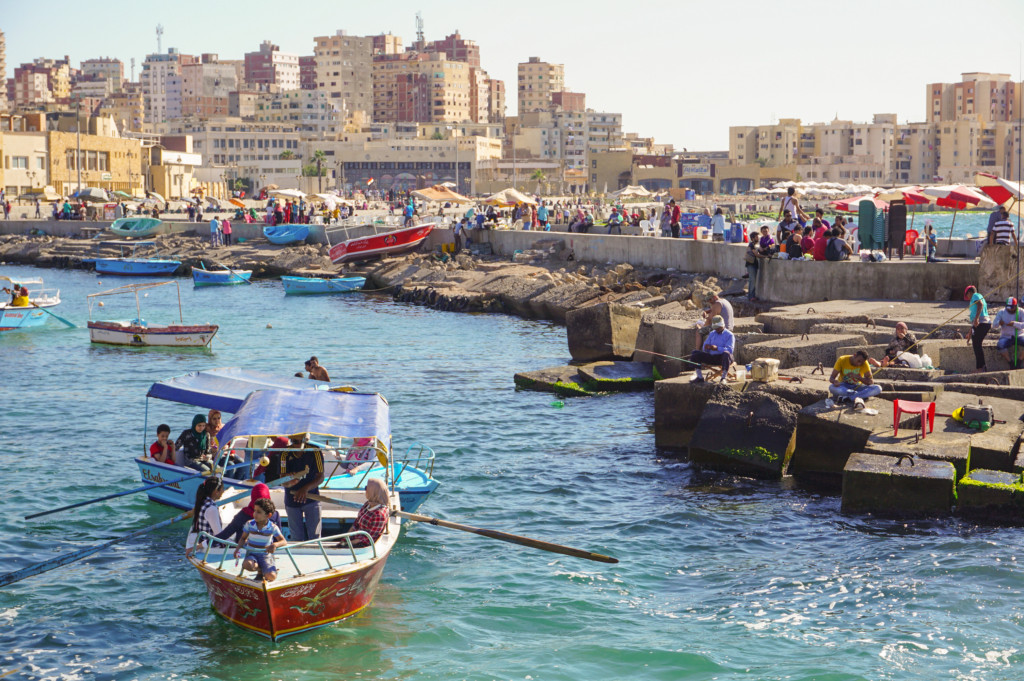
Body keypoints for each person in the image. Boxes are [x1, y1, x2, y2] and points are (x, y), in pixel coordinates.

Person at [279, 438, 325, 541]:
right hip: (292, 500)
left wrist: (305, 489)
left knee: (316, 538)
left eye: (302, 441)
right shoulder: (284, 453)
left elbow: (321, 477)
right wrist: (289, 481)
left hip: (312, 498)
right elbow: (283, 479)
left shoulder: (315, 451)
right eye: (295, 441)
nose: (299, 445)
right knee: (296, 538)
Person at [234, 497, 287, 582]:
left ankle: (267, 570)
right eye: (255, 511)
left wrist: (275, 544)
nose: (255, 514)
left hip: (265, 555)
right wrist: (237, 549)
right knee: (247, 565)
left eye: (258, 512)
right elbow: (243, 538)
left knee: (271, 577)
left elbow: (283, 541)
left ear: (268, 515)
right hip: (252, 554)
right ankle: (261, 570)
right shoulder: (249, 524)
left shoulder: (273, 527)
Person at [216, 483, 281, 544]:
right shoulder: (274, 515)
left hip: (245, 551)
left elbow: (226, 533)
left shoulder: (243, 515)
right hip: (265, 551)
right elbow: (278, 540)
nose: (255, 514)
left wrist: (207, 542)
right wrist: (274, 546)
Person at [185, 476, 224, 557]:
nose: (223, 491)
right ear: (216, 492)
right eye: (222, 489)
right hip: (210, 546)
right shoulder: (211, 508)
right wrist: (199, 546)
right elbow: (218, 536)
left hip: (202, 539)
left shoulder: (201, 501)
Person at [688, 315, 734, 384]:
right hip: (712, 357)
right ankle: (699, 377)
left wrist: (717, 348)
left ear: (722, 326)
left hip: (722, 358)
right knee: (695, 353)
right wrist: (706, 347)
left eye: (718, 328)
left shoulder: (729, 335)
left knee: (726, 354)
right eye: (716, 328)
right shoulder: (712, 333)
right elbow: (705, 347)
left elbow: (730, 349)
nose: (717, 329)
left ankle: (723, 378)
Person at [348, 478, 391, 547]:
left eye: (366, 488)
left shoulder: (379, 514)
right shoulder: (368, 504)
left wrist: (348, 543)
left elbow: (369, 538)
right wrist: (347, 537)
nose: (365, 490)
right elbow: (356, 523)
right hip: (355, 537)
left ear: (373, 491)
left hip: (362, 544)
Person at [964, 285, 991, 373]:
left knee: (976, 344)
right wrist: (970, 333)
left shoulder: (975, 295)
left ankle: (981, 368)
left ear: (969, 292)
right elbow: (974, 323)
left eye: (967, 295)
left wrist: (976, 318)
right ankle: (981, 367)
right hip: (981, 324)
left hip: (983, 323)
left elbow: (980, 304)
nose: (967, 297)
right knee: (976, 343)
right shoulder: (975, 297)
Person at [994, 297, 1024, 368]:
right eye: (1009, 307)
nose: (1010, 309)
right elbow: (994, 324)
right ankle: (1010, 362)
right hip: (1006, 336)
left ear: (1016, 306)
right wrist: (999, 323)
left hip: (1019, 335)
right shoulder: (1001, 312)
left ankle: (1020, 360)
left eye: (1012, 308)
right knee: (1000, 345)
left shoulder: (1021, 311)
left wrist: (1014, 324)